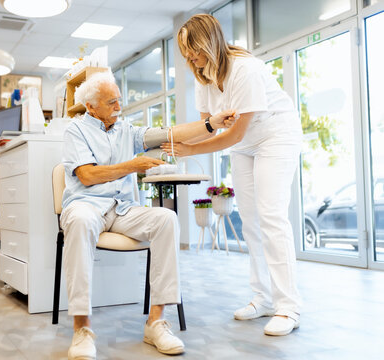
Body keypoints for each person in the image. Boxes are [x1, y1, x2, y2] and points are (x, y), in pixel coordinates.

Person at [60, 71, 230, 360]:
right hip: (86, 205)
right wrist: (131, 165)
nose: (119, 106)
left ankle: (155, 322)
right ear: (91, 106)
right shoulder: (75, 131)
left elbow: (171, 133)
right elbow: (87, 176)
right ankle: (82, 328)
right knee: (79, 220)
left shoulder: (128, 130)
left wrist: (210, 124)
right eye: (111, 101)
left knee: (166, 219)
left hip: (123, 209)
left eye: (119, 99)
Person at [160, 14, 303, 336]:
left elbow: (233, 134)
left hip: (275, 137)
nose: (190, 57)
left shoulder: (245, 69)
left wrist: (189, 151)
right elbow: (206, 127)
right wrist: (170, 143)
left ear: (208, 41)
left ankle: (288, 305)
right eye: (185, 51)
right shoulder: (203, 77)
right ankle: (263, 297)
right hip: (246, 145)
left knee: (271, 217)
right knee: (250, 220)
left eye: (193, 48)